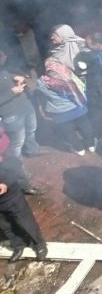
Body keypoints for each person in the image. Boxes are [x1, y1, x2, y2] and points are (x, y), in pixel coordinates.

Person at [0, 51, 44, 193]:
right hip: (11, 115)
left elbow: (5, 79)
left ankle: (32, 150)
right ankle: (21, 176)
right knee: (15, 146)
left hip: (25, 107)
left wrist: (15, 77)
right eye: (1, 56)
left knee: (31, 130)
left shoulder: (3, 69)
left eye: (3, 54)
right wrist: (12, 92)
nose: (5, 56)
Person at [36, 57, 96, 156]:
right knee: (86, 127)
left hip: (60, 114)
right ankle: (91, 145)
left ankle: (80, 149)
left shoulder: (41, 83)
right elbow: (81, 86)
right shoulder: (69, 75)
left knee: (69, 133)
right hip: (78, 108)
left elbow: (40, 93)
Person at [0, 162, 47, 260]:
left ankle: (39, 244)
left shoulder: (5, 155)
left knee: (25, 222)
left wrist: (6, 183)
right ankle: (18, 245)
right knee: (5, 226)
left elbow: (15, 167)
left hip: (11, 196)